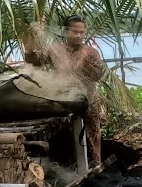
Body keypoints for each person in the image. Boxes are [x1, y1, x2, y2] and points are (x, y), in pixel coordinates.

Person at [24, 15, 104, 166]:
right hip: (63, 101)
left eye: (82, 32)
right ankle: (67, 165)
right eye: (75, 32)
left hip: (87, 99)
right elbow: (31, 59)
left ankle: (96, 165)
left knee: (93, 137)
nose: (79, 35)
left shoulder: (91, 52)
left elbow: (97, 76)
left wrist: (88, 66)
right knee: (64, 137)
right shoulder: (55, 50)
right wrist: (32, 36)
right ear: (66, 31)